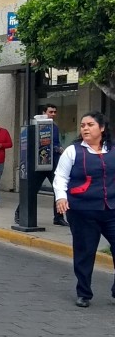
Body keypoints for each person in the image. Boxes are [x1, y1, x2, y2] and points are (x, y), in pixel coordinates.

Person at [53, 112, 115, 308]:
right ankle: (84, 293)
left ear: (102, 128)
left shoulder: (112, 149)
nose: (85, 128)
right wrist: (61, 197)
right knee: (85, 252)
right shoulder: (73, 151)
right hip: (82, 210)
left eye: (90, 124)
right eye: (82, 125)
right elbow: (61, 177)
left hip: (111, 209)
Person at [15, 103, 68, 226]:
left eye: (55, 112)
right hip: (39, 163)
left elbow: (56, 142)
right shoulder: (36, 126)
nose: (53, 114)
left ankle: (58, 217)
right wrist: (57, 149)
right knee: (31, 189)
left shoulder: (54, 127)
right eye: (51, 112)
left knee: (58, 189)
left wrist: (59, 149)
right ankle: (19, 212)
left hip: (52, 162)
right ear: (44, 113)